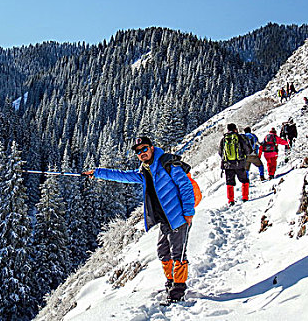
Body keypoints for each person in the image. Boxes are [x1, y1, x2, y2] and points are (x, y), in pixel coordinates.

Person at [82, 136, 195, 302]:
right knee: (163, 253)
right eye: (138, 151)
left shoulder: (168, 163)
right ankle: (171, 282)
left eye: (144, 149)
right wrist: (98, 172)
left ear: (151, 148)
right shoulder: (145, 172)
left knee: (178, 254)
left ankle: (178, 290)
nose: (142, 153)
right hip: (165, 221)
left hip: (178, 218)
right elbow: (123, 176)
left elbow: (185, 186)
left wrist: (188, 212)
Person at [219, 123, 252, 205]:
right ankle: (245, 197)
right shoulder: (240, 137)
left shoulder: (224, 139)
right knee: (244, 180)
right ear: (235, 129)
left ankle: (230, 200)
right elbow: (248, 149)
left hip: (228, 165)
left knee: (229, 182)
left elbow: (220, 152)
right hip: (240, 163)